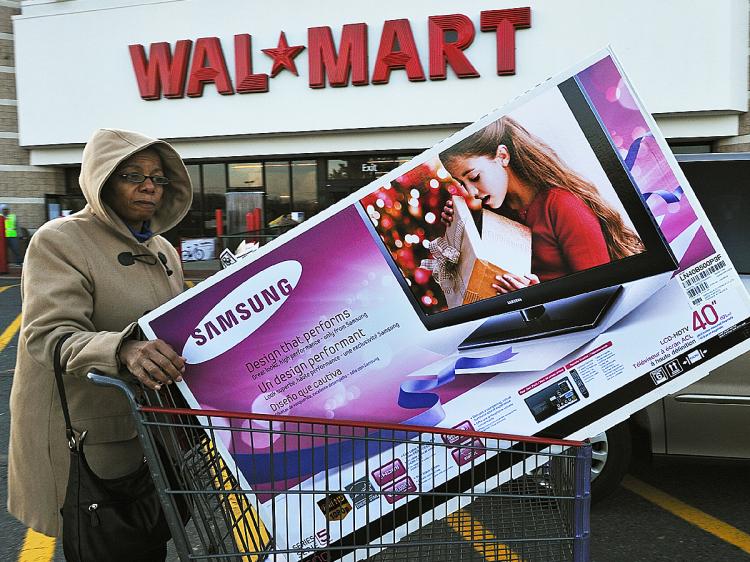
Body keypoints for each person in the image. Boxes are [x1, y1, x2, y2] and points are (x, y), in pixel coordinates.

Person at [7, 129, 193, 559]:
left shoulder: (163, 248)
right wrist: (123, 349)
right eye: (133, 175)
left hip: (149, 434)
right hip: (87, 438)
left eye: (158, 177)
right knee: (103, 542)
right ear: (102, 181)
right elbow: (48, 335)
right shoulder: (60, 241)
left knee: (148, 542)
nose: (149, 185)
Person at [439, 116, 644, 294]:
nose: (471, 193)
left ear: (502, 156)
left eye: (474, 177)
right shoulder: (497, 211)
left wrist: (539, 294)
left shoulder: (562, 206)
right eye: (461, 183)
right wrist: (457, 228)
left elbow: (603, 291)